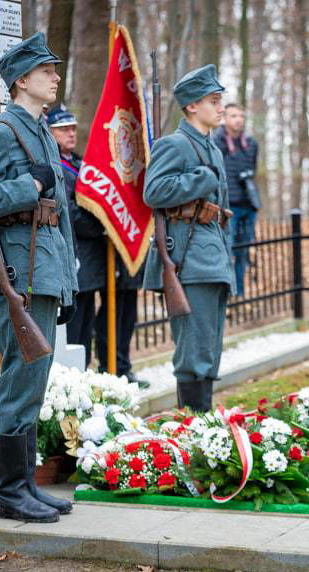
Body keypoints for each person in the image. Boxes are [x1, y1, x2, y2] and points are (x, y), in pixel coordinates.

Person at [0, 33, 77, 522]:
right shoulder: (0, 132)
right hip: (16, 270)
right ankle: (9, 492)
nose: (55, 77)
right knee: (20, 375)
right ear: (22, 80)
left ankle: (25, 483)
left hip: (43, 268)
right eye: (46, 71)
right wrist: (26, 186)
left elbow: (60, 213)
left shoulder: (43, 131)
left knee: (35, 377)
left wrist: (68, 276)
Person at [142, 64, 234, 413]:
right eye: (213, 100)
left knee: (209, 351)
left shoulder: (212, 148)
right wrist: (201, 179)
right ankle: (193, 428)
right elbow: (153, 192)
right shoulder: (176, 145)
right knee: (194, 353)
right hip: (189, 261)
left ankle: (204, 427)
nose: (220, 107)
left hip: (211, 259)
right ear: (192, 106)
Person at [46, 105, 104, 367]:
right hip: (75, 253)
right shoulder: (55, 165)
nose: (70, 134)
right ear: (50, 131)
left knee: (85, 326)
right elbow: (68, 213)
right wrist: (99, 226)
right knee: (73, 326)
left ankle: (83, 376)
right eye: (62, 129)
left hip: (91, 259)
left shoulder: (79, 164)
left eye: (72, 128)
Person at [214, 103, 260, 297]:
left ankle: (239, 293)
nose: (238, 120)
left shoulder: (251, 144)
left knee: (243, 251)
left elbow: (252, 171)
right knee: (227, 250)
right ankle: (227, 293)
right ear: (224, 118)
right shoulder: (216, 142)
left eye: (241, 116)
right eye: (233, 116)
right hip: (227, 206)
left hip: (248, 203)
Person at [95, 263, 150, 389]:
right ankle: (109, 367)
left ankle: (123, 368)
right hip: (112, 263)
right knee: (112, 317)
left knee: (128, 318)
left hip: (130, 264)